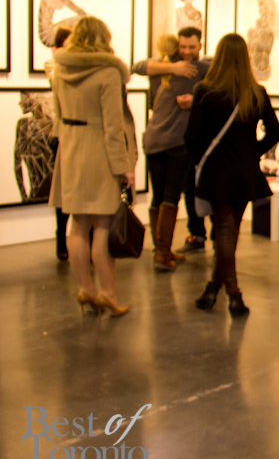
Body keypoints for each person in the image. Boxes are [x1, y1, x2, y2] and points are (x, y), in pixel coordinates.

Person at [184, 33, 279, 317]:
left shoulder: (205, 91)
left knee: (225, 232)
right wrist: (253, 152)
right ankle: (211, 289)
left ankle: (234, 295)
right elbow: (275, 132)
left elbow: (191, 137)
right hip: (245, 172)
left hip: (217, 172)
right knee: (230, 231)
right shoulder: (256, 92)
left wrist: (204, 159)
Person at [49, 16, 137, 318]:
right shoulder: (108, 72)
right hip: (99, 151)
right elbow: (113, 125)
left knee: (78, 224)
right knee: (102, 225)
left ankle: (85, 289)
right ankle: (107, 293)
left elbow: (58, 117)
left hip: (70, 149)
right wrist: (124, 167)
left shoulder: (59, 71)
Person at [131, 27, 212, 270]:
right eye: (183, 47)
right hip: (174, 141)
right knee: (169, 197)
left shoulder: (188, 68)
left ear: (200, 45)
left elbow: (139, 67)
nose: (186, 51)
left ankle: (161, 250)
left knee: (160, 196)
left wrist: (194, 94)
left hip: (155, 140)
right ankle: (162, 254)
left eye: (191, 47)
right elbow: (137, 66)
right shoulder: (179, 68)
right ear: (177, 46)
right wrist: (174, 67)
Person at [47, 27, 73, 260]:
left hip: (78, 136)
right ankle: (61, 238)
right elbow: (56, 82)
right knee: (63, 190)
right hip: (62, 135)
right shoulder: (53, 66)